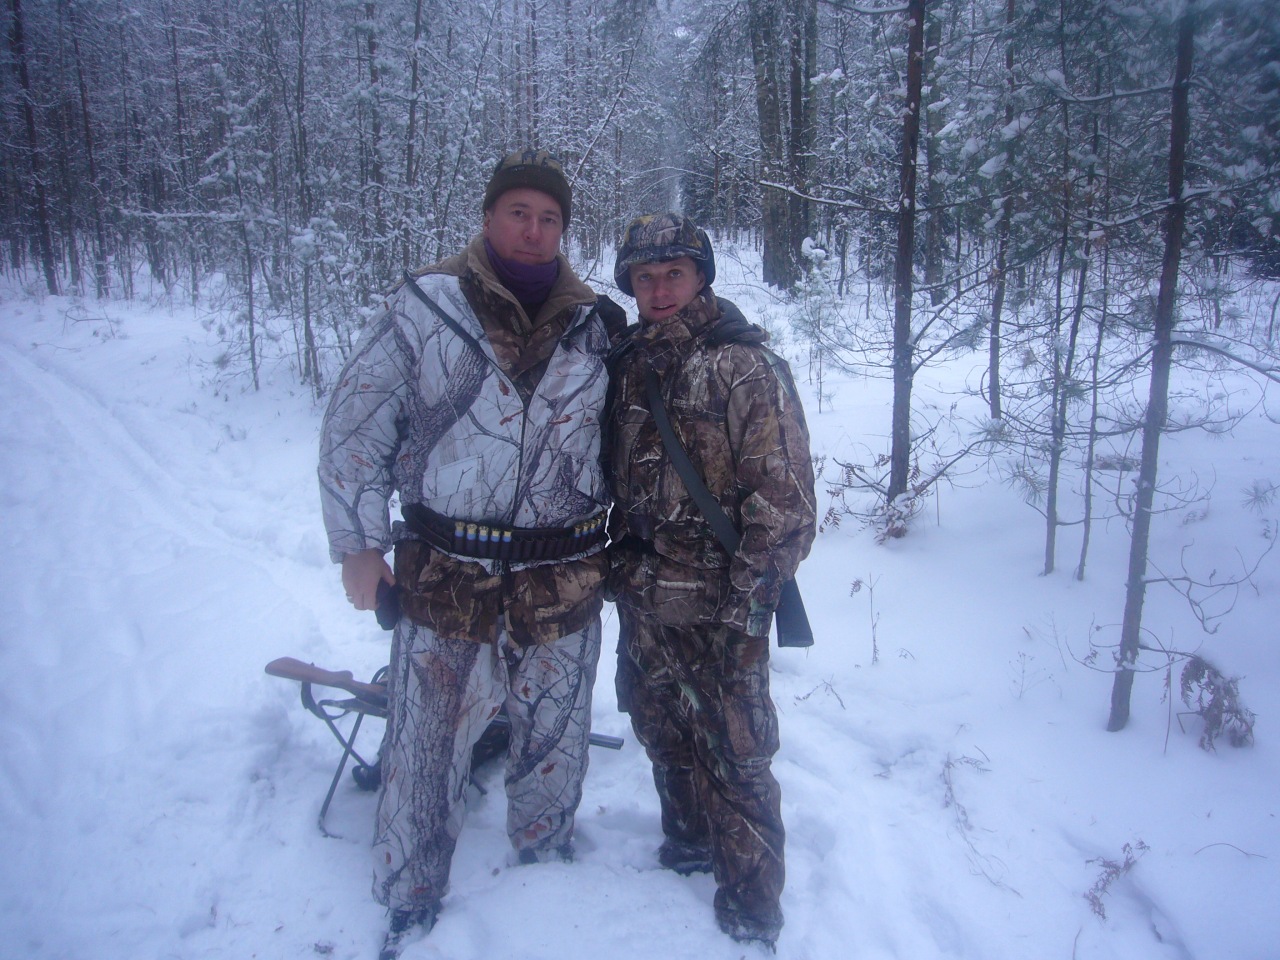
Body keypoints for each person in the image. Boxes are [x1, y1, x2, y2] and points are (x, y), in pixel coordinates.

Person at [318, 148, 624, 960]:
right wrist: (358, 547)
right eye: (518, 212)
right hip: (447, 571)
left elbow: (628, 445)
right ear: (488, 217)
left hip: (562, 576)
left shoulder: (598, 324)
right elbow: (355, 427)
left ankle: (544, 875)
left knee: (555, 739)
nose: (534, 229)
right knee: (426, 743)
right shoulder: (426, 305)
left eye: (549, 218)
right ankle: (409, 892)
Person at [605, 213, 816, 951]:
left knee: (738, 755)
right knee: (660, 728)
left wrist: (750, 612)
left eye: (675, 274)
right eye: (645, 277)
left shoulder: (743, 367)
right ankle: (688, 841)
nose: (659, 290)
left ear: (701, 277)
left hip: (721, 607)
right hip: (642, 597)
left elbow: (784, 505)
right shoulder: (627, 363)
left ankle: (753, 908)